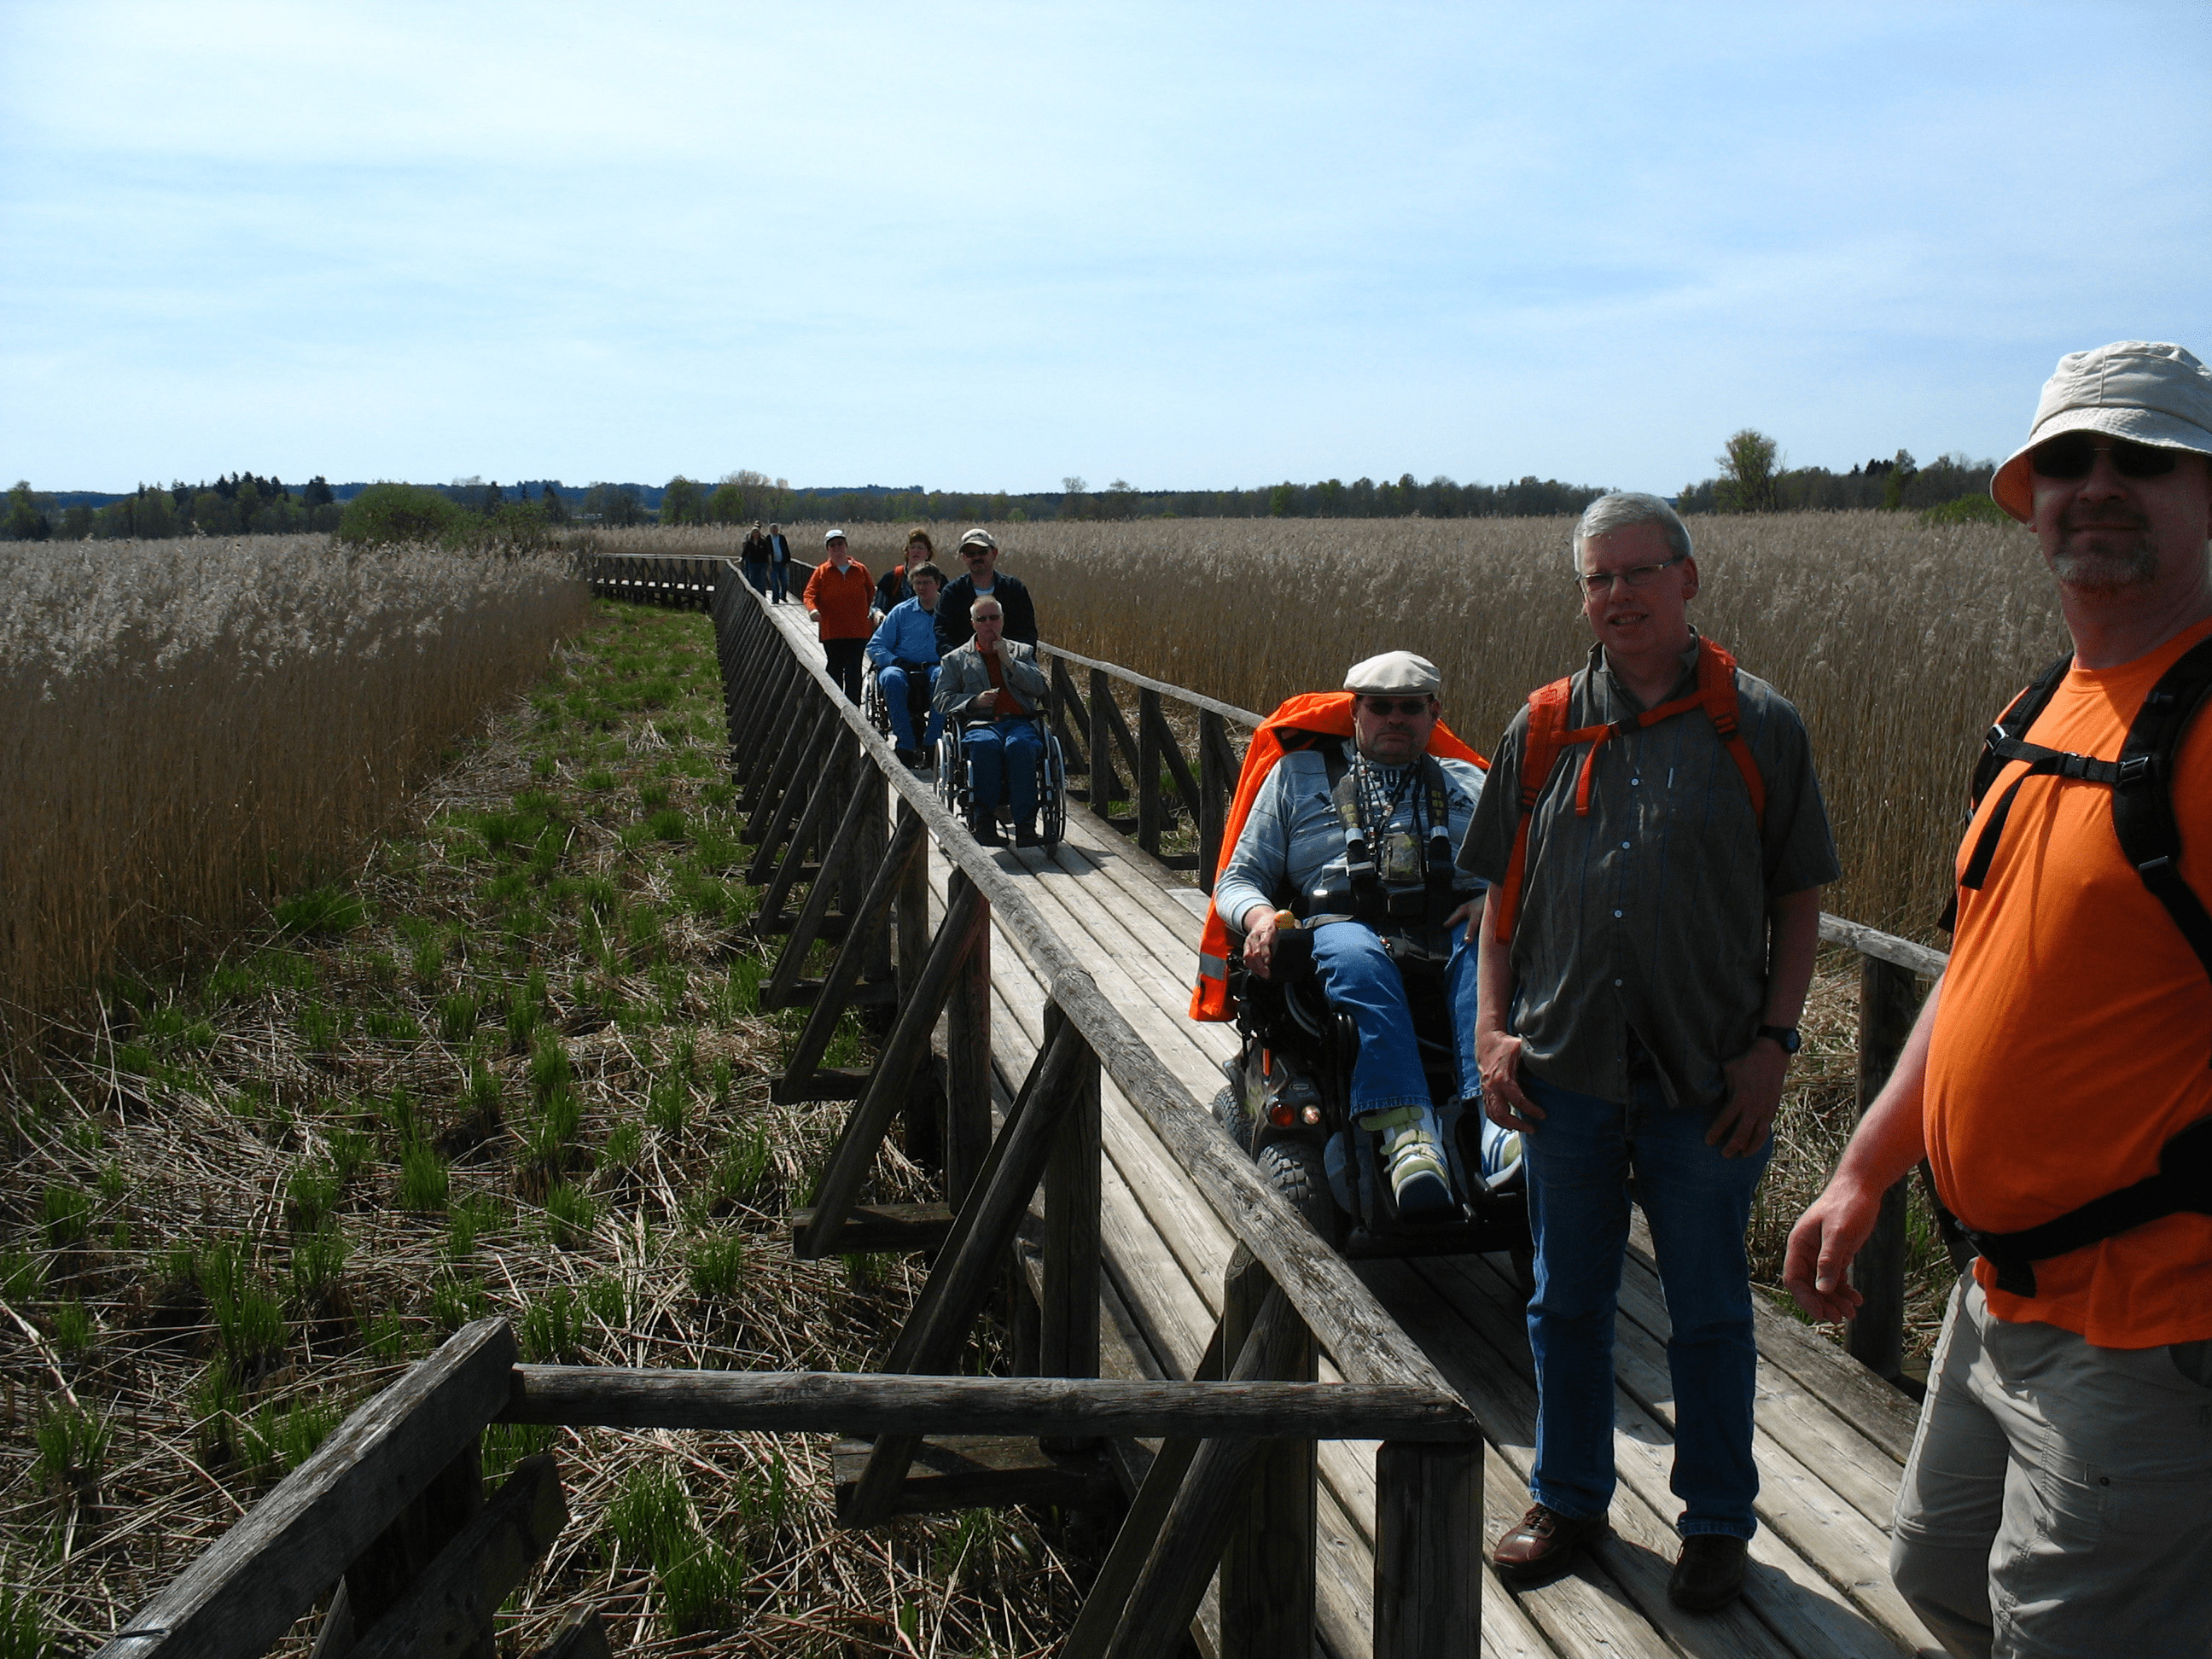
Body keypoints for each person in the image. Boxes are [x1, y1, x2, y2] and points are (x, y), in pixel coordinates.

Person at [1784, 341, 2212, 1659]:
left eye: (2141, 459)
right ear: (2026, 501)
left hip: (2148, 1324)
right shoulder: (2037, 713)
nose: (2095, 486)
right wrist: (1864, 1172)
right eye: (2065, 462)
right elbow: (1975, 980)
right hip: (1990, 1294)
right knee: (1941, 1581)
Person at [1462, 491, 1838, 1611]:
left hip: (1704, 1083)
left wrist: (1775, 1047)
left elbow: (1801, 901)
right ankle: (1568, 1499)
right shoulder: (1539, 726)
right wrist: (1489, 1030)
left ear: (1687, 579)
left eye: (1637, 573)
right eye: (1598, 580)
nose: (1617, 597)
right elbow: (1500, 906)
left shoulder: (1756, 724)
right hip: (1566, 1077)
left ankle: (1717, 1520)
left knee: (1712, 1308)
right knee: (1562, 1303)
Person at [1206, 651, 1490, 1219]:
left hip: (1451, 932)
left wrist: (1498, 898)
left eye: (1410, 707)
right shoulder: (1296, 777)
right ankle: (1405, 1130)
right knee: (1356, 952)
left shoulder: (1468, 784)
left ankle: (1494, 1123)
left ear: (1434, 713)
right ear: (1355, 711)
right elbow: (1238, 880)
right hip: (1340, 934)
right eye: (1380, 707)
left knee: (1488, 951)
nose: (1395, 719)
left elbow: (1526, 870)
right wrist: (1261, 918)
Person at [933, 596, 1050, 846]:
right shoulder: (955, 659)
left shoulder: (1022, 651)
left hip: (1019, 721)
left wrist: (1009, 662)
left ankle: (1025, 825)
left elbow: (1039, 687)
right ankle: (983, 821)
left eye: (994, 618)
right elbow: (941, 699)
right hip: (980, 724)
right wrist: (974, 701)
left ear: (1002, 620)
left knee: (1021, 747)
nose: (989, 624)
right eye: (982, 619)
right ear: (973, 623)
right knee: (986, 746)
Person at [866, 559, 947, 766]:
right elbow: (875, 645)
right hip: (902, 665)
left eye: (927, 582)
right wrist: (896, 661)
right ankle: (906, 744)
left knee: (944, 678)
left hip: (935, 666)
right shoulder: (901, 612)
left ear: (937, 583)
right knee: (891, 678)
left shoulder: (949, 612)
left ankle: (932, 744)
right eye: (917, 583)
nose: (922, 587)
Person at [935, 527, 1038, 655]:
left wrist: (1015, 659)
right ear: (964, 558)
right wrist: (958, 662)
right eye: (971, 554)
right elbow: (942, 633)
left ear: (994, 553)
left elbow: (1027, 632)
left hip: (1010, 662)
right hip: (965, 665)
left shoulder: (1014, 589)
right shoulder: (953, 592)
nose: (977, 557)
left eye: (982, 552)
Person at [804, 527, 872, 702]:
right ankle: (833, 709)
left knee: (853, 672)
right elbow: (809, 594)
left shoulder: (860, 569)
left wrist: (865, 611)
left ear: (846, 546)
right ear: (828, 549)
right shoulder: (822, 571)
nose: (837, 548)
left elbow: (871, 592)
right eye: (832, 545)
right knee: (834, 669)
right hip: (832, 631)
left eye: (840, 544)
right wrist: (812, 610)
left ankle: (854, 713)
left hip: (857, 631)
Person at [876, 528, 932, 615]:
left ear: (928, 553)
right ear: (907, 552)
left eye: (920, 548)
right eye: (912, 547)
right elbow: (878, 606)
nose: (916, 551)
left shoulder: (937, 579)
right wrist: (879, 615)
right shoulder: (891, 578)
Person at [741, 522, 771, 595]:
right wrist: (741, 558)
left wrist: (769, 562)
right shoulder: (749, 539)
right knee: (752, 578)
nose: (755, 534)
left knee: (762, 579)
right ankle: (754, 595)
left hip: (762, 562)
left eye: (758, 528)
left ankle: (762, 595)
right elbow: (744, 549)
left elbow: (768, 552)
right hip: (752, 561)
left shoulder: (763, 540)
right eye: (754, 533)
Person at [766, 522, 793, 603]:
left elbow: (786, 549)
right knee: (774, 583)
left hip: (782, 563)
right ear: (770, 530)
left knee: (784, 582)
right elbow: (767, 551)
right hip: (773, 563)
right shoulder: (768, 538)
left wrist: (788, 561)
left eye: (776, 529)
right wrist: (769, 564)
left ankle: (783, 596)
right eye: (773, 529)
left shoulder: (781, 538)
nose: (775, 531)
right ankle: (775, 599)